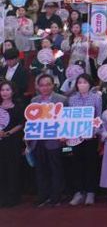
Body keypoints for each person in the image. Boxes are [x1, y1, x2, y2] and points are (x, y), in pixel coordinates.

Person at [29, 73, 68, 207]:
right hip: (37, 141)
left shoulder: (62, 100)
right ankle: (43, 196)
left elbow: (66, 120)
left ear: (53, 85)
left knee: (56, 169)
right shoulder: (34, 101)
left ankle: (56, 196)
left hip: (55, 140)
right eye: (42, 85)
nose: (45, 88)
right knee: (40, 170)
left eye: (48, 85)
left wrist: (64, 135)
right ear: (38, 87)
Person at [68, 73, 102, 206]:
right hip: (76, 137)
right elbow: (69, 118)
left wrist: (94, 132)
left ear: (90, 84)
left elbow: (98, 117)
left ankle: (90, 192)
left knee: (91, 164)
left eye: (85, 82)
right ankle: (78, 192)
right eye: (80, 82)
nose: (82, 85)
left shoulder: (96, 98)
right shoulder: (72, 99)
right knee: (77, 164)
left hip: (90, 137)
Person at [0, 80, 25, 207]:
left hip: (13, 141)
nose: (4, 92)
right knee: (2, 169)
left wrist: (8, 133)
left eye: (7, 90)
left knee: (13, 168)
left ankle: (13, 197)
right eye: (2, 90)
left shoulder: (18, 106)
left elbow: (21, 124)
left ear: (13, 91)